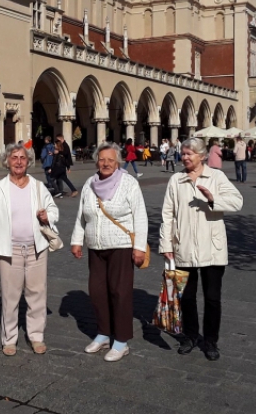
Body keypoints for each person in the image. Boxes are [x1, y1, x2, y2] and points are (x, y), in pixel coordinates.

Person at [160, 137, 243, 360]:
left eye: (190, 154)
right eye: (183, 153)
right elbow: (168, 215)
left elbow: (237, 201)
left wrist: (213, 199)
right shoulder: (176, 180)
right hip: (183, 246)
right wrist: (166, 244)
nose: (185, 157)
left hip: (213, 249)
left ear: (202, 156)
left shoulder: (216, 176)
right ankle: (190, 335)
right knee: (186, 297)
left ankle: (210, 341)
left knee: (212, 298)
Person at [0, 143, 59, 356]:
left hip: (36, 249)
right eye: (14, 158)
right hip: (9, 250)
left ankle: (36, 336)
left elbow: (53, 209)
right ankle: (9, 339)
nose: (19, 162)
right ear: (7, 161)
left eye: (22, 158)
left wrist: (47, 216)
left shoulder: (38, 186)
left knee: (37, 294)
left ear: (29, 161)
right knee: (10, 296)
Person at [71, 142, 148, 363]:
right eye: (102, 159)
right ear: (97, 161)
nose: (105, 163)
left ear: (118, 163)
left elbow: (140, 217)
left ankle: (121, 340)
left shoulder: (129, 183)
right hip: (96, 246)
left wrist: (139, 248)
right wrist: (77, 241)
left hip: (121, 247)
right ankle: (104, 333)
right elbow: (81, 216)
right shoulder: (90, 183)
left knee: (120, 293)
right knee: (97, 292)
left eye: (110, 160)